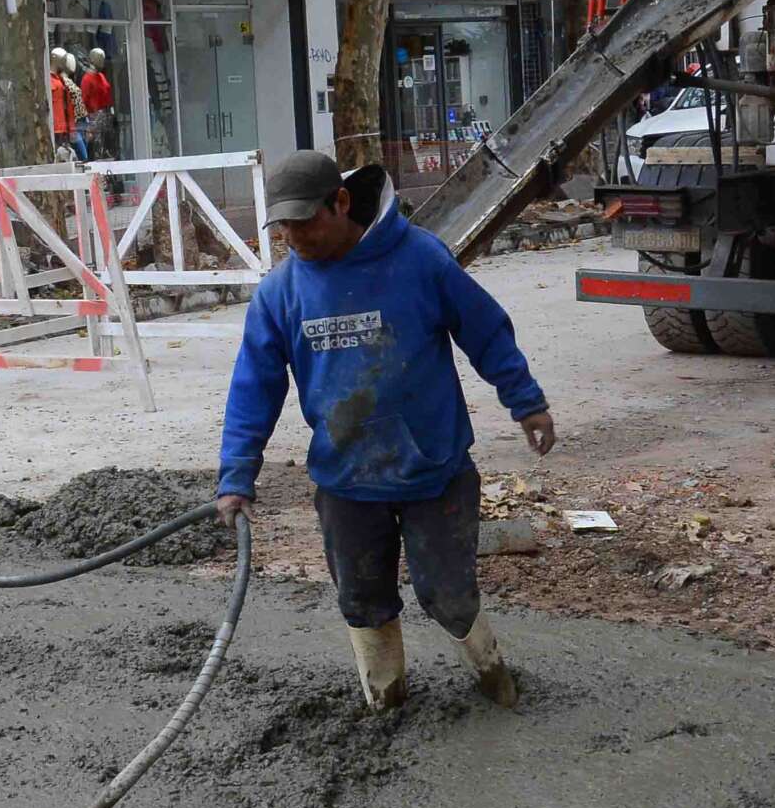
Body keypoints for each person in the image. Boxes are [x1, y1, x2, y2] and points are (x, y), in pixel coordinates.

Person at [216, 151, 555, 711]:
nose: (294, 238)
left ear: (342, 202)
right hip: (346, 479)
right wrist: (236, 476)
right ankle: (386, 702)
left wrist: (526, 401)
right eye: (284, 227)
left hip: (433, 469)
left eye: (306, 222)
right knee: (362, 599)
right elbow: (254, 388)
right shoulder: (280, 294)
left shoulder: (420, 258)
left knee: (446, 593)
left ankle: (495, 680)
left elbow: (485, 331)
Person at [79, 48, 116, 160]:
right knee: (97, 149)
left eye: (102, 59)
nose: (102, 61)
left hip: (105, 115)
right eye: (99, 59)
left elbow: (108, 95)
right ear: (92, 59)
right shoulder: (87, 79)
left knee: (107, 148)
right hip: (94, 117)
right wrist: (88, 125)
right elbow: (84, 101)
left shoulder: (101, 76)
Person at [49, 46, 83, 160]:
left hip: (63, 129)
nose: (65, 62)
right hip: (55, 129)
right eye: (62, 58)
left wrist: (71, 128)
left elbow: (68, 106)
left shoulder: (61, 80)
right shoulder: (48, 80)